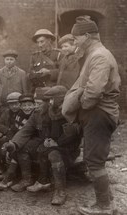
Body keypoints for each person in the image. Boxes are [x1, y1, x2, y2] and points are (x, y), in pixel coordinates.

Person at [64, 16, 121, 215]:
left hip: (98, 113)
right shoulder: (94, 53)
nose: (74, 42)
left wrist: (84, 106)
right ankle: (109, 201)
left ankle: (104, 206)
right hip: (98, 113)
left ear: (87, 36)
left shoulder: (99, 56)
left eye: (76, 38)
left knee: (94, 161)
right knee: (93, 158)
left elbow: (94, 91)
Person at [26, 86, 81, 206]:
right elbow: (48, 128)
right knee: (41, 148)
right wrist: (47, 139)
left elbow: (72, 135)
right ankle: (43, 181)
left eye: (52, 99)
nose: (50, 102)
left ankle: (60, 191)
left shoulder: (70, 112)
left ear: (60, 99)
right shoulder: (52, 111)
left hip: (69, 148)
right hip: (55, 144)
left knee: (54, 155)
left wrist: (57, 143)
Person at [0, 87, 51, 192]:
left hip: (52, 142)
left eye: (39, 103)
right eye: (35, 103)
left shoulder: (52, 114)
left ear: (47, 103)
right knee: (19, 147)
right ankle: (24, 178)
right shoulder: (35, 114)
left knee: (25, 147)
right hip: (39, 140)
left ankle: (15, 177)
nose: (36, 107)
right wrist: (13, 144)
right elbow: (25, 130)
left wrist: (51, 141)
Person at [0, 94, 35, 191]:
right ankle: (11, 175)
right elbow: (14, 129)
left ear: (34, 105)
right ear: (21, 107)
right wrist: (11, 140)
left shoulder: (34, 115)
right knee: (6, 145)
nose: (27, 108)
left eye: (30, 105)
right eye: (24, 105)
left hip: (33, 139)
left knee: (19, 149)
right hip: (21, 138)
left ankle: (19, 177)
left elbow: (31, 133)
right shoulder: (19, 115)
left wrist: (15, 142)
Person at [0, 92, 22, 180]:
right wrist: (7, 131)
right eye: (11, 104)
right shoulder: (7, 113)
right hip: (8, 135)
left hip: (19, 137)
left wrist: (9, 133)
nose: (14, 106)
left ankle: (12, 172)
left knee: (7, 147)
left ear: (21, 103)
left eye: (16, 104)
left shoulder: (24, 113)